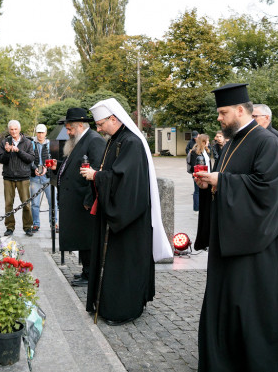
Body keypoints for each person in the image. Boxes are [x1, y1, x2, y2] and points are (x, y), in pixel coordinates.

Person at [194, 83, 278, 372]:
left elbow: (268, 190)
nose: (219, 119)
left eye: (223, 113)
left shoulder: (267, 141)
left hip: (261, 241)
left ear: (241, 110)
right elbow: (232, 177)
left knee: (256, 304)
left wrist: (223, 182)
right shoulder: (233, 142)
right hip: (234, 235)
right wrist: (212, 181)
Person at [79, 98, 172, 325]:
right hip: (116, 212)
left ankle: (124, 309)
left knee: (125, 264)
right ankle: (109, 303)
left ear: (113, 118)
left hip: (129, 217)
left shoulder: (131, 142)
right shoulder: (115, 140)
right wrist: (99, 176)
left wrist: (96, 176)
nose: (98, 129)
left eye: (100, 124)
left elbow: (126, 181)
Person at [53, 108, 105, 287]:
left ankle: (91, 274)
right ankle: (85, 271)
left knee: (87, 238)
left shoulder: (94, 141)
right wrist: (57, 167)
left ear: (80, 125)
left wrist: (90, 200)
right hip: (76, 199)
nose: (68, 132)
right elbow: (75, 166)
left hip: (85, 201)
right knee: (82, 238)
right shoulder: (80, 140)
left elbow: (97, 171)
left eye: (70, 129)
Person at [0, 120, 35, 237]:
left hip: (23, 177)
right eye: (11, 130)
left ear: (19, 129)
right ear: (9, 130)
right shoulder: (5, 142)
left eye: (15, 129)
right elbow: (1, 159)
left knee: (26, 204)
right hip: (8, 177)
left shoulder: (28, 142)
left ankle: (28, 227)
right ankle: (9, 227)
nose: (13, 132)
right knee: (8, 204)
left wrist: (19, 151)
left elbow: (30, 158)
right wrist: (7, 152)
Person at [252, 104, 278, 177]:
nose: (251, 120)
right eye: (250, 117)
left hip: (273, 186)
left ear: (267, 117)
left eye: (255, 116)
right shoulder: (252, 137)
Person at [29, 123, 54, 232]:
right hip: (35, 177)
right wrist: (34, 168)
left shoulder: (51, 144)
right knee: (35, 202)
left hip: (48, 177)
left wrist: (46, 168)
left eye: (42, 132)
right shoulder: (31, 144)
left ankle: (54, 223)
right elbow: (29, 158)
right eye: (38, 132)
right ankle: (36, 224)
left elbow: (54, 159)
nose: (40, 135)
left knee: (52, 202)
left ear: (46, 133)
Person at [186, 133, 211, 211]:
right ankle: (196, 209)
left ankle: (203, 207)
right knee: (197, 191)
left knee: (205, 191)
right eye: (207, 141)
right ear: (203, 142)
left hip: (207, 175)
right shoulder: (194, 152)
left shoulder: (206, 151)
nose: (209, 142)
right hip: (199, 175)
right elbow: (194, 165)